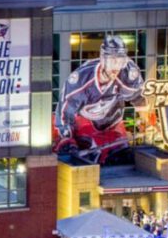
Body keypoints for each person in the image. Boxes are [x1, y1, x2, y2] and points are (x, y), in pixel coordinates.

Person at [54, 34, 151, 164]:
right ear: (103, 58)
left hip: (113, 124)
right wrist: (68, 140)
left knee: (123, 160)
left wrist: (149, 122)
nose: (116, 67)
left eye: (120, 61)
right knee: (83, 158)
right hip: (85, 123)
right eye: (112, 60)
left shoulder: (127, 73)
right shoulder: (81, 80)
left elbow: (139, 99)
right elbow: (65, 113)